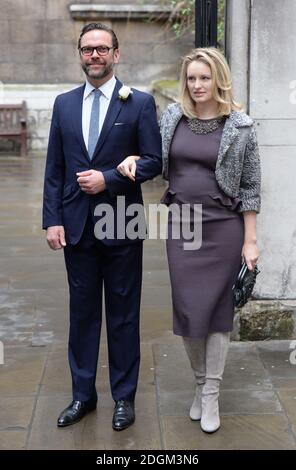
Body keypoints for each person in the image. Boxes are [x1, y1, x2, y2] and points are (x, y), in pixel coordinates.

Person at [117, 48, 261, 433]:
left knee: (217, 312)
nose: (197, 85)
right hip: (180, 223)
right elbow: (153, 159)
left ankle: (210, 393)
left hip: (223, 228)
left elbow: (250, 189)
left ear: (218, 79)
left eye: (204, 78)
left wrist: (250, 242)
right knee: (188, 308)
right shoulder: (171, 118)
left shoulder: (241, 125)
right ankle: (200, 383)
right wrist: (132, 159)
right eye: (191, 79)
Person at [43, 23, 162, 431]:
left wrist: (109, 178)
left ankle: (124, 398)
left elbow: (153, 161)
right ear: (80, 54)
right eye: (87, 49)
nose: (94, 56)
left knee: (124, 315)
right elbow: (54, 169)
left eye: (102, 49)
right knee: (82, 315)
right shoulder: (63, 104)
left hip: (123, 221)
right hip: (76, 225)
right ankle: (82, 396)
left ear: (116, 54)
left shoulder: (140, 103)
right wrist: (52, 220)